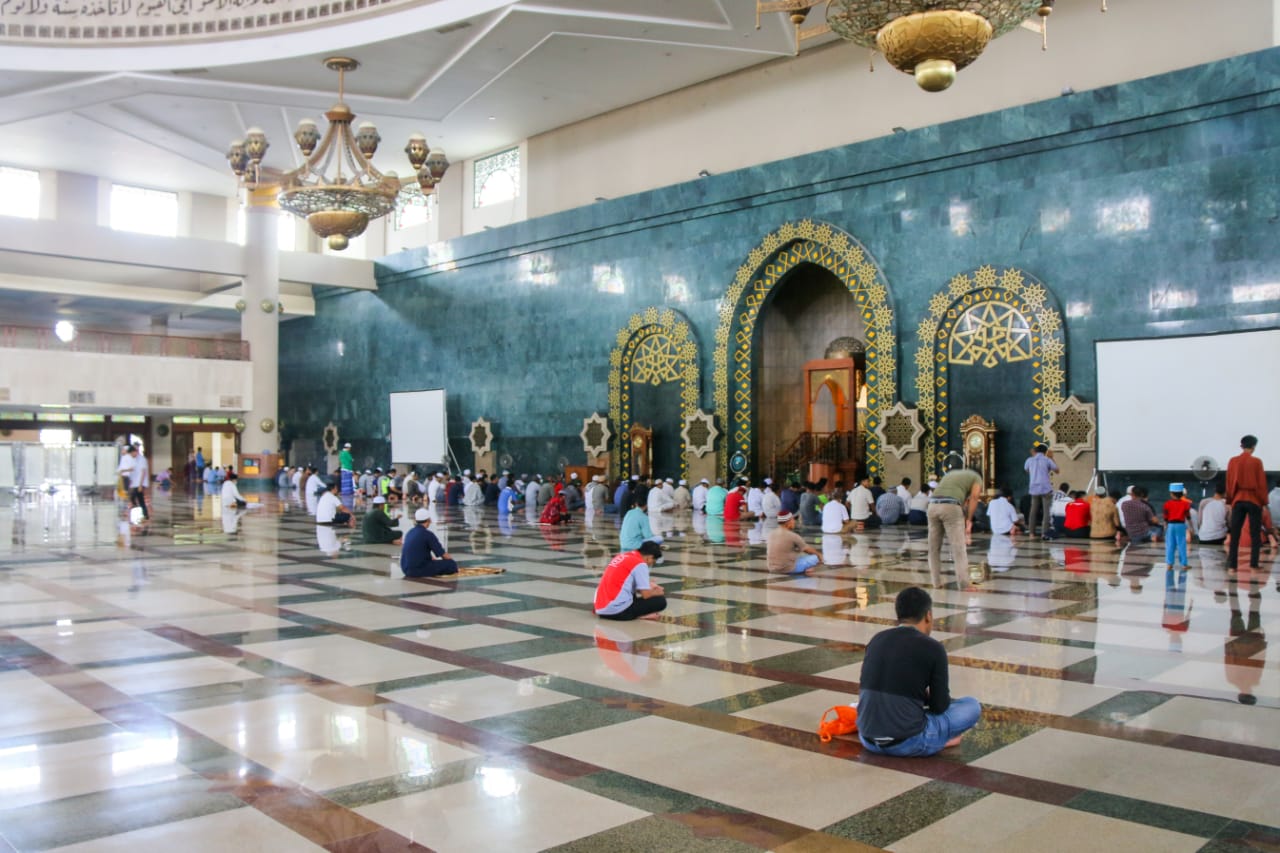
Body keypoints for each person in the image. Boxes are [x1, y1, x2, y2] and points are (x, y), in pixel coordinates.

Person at [857, 586, 982, 757]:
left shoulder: (877, 639)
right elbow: (939, 706)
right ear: (928, 615)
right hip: (907, 742)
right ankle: (938, 741)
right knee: (971, 706)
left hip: (867, 738)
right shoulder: (933, 648)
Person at [927, 467, 982, 583]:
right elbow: (974, 497)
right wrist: (969, 520)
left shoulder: (951, 475)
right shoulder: (976, 477)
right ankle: (964, 584)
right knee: (959, 549)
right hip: (951, 506)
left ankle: (935, 582)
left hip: (932, 506)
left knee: (934, 548)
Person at [594, 541, 666, 621]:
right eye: (653, 561)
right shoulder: (640, 564)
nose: (651, 564)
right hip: (617, 612)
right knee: (660, 601)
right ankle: (640, 615)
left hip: (600, 609)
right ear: (649, 557)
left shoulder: (623, 556)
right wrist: (658, 592)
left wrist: (647, 583)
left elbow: (626, 582)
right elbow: (646, 594)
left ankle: (637, 613)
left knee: (631, 592)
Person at [1226, 434, 1267, 572]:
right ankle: (1254, 565)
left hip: (1238, 499)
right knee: (1255, 533)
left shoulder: (1233, 461)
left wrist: (1230, 500)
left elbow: (1230, 482)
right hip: (1253, 499)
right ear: (1254, 446)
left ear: (1241, 446)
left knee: (1235, 533)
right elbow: (1261, 483)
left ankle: (1232, 566)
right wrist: (1263, 501)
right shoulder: (1257, 462)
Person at [400, 508, 458, 577]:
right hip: (417, 570)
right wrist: (452, 562)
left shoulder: (410, 532)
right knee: (451, 565)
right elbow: (443, 554)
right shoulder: (428, 534)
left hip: (405, 568)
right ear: (429, 520)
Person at [1024, 444, 1059, 539]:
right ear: (1045, 452)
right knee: (1046, 511)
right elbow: (1057, 470)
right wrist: (1051, 458)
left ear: (1036, 451)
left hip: (1034, 487)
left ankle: (1031, 534)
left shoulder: (1029, 460)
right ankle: (1044, 533)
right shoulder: (1047, 460)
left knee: (1033, 511)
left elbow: (1026, 470)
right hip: (1045, 488)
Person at [1163, 483, 1192, 571]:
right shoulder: (1185, 504)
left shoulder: (1167, 504)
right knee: (1182, 544)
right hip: (1181, 525)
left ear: (1171, 493)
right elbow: (1188, 517)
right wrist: (1191, 528)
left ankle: (1169, 564)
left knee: (1170, 544)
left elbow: (1165, 517)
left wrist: (1165, 526)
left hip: (1171, 525)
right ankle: (1184, 564)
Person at [117, 444, 150, 520]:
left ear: (135, 452)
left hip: (140, 483)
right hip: (135, 483)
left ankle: (142, 513)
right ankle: (145, 514)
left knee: (134, 497)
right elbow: (131, 470)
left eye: (131, 453)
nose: (131, 455)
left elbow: (143, 472)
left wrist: (140, 485)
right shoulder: (133, 459)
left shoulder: (142, 459)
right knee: (139, 499)